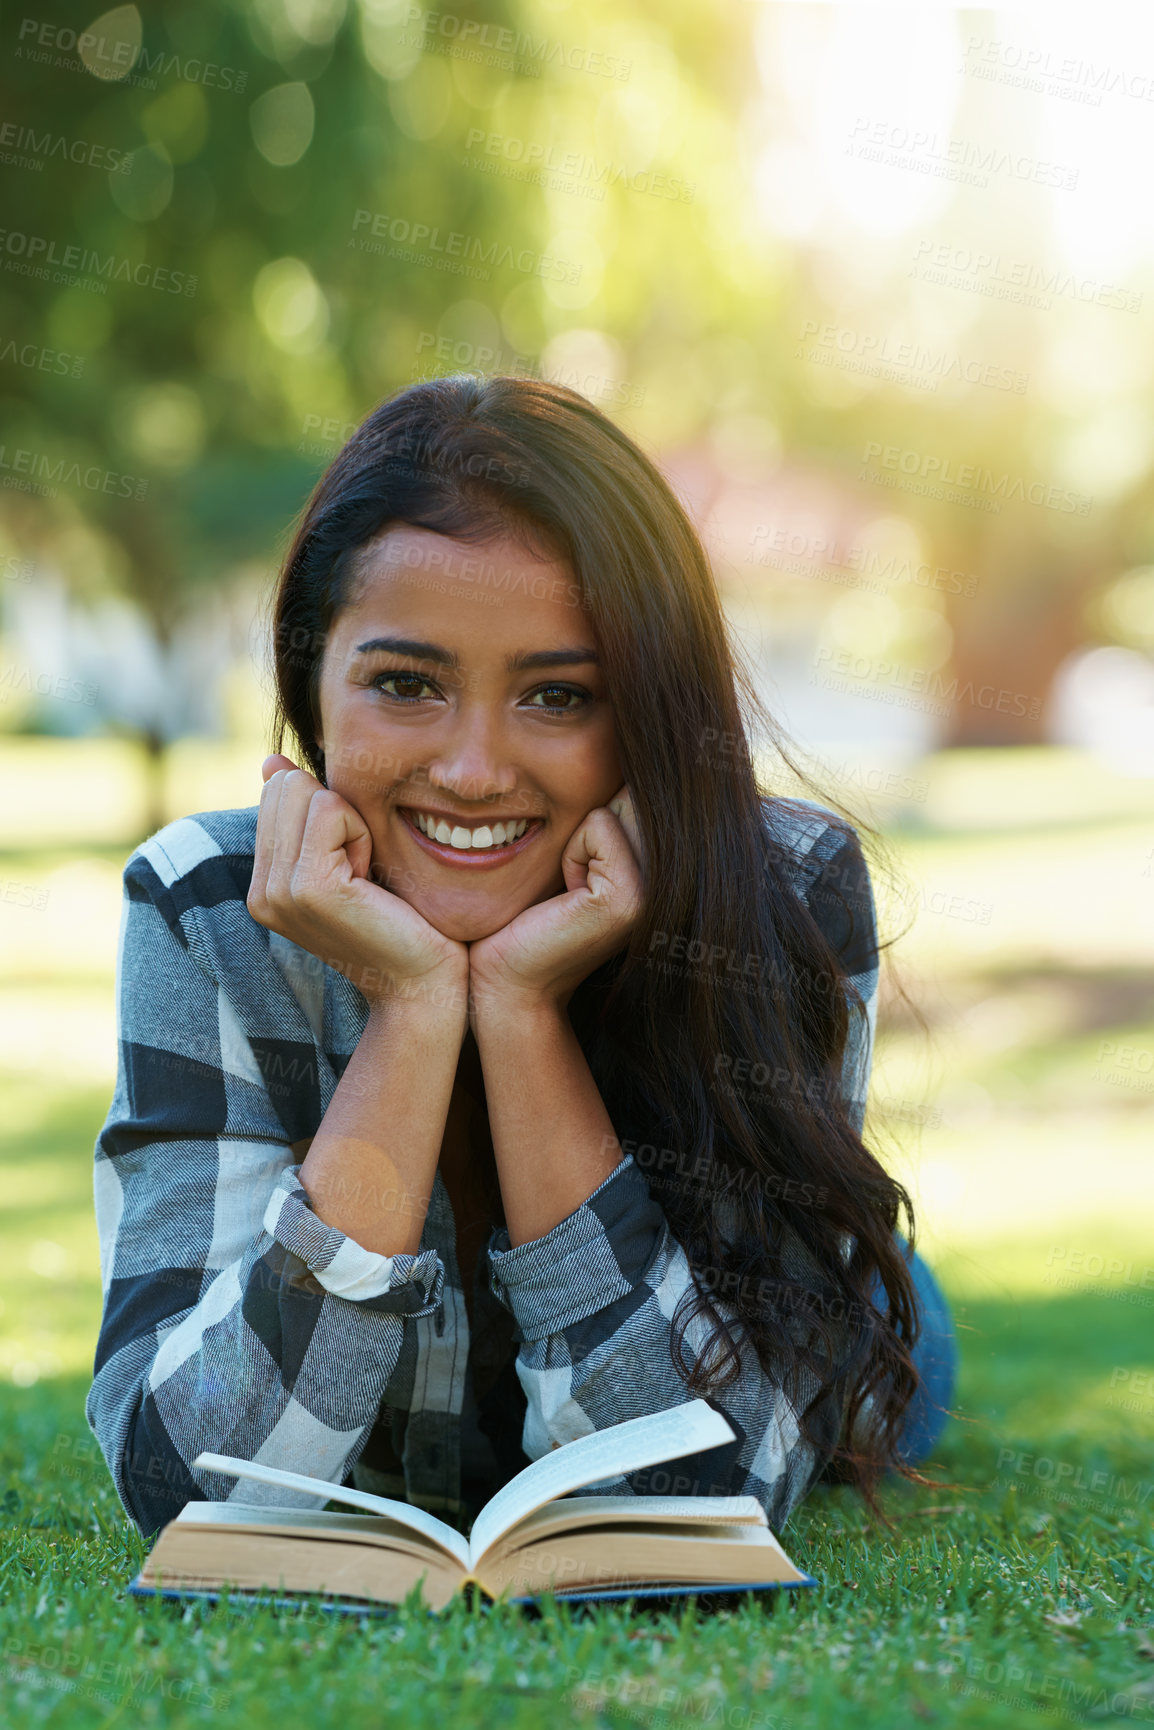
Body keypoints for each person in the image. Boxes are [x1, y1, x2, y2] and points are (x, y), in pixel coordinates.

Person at [85, 374, 956, 1543]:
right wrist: (408, 1008)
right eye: (405, 684)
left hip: (813, 1307)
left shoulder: (782, 895)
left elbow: (708, 1499)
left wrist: (519, 1009)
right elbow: (190, 1491)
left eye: (557, 695)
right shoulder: (207, 906)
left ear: (649, 710)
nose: (475, 770)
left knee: (896, 1358)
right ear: (312, 689)